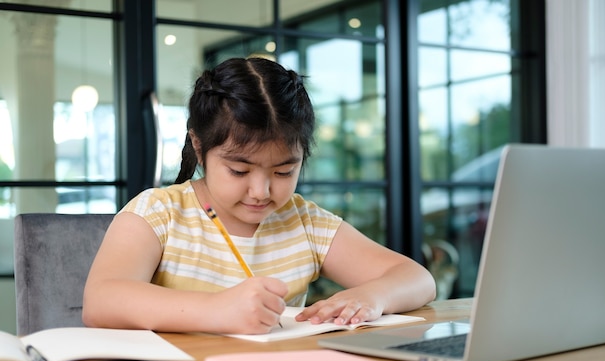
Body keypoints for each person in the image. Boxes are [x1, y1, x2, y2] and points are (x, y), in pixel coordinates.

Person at [82, 57, 436, 334]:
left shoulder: (304, 223)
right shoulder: (159, 213)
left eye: (284, 172)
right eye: (239, 171)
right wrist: (218, 310)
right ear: (199, 146)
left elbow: (417, 278)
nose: (261, 191)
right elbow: (101, 300)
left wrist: (371, 296)